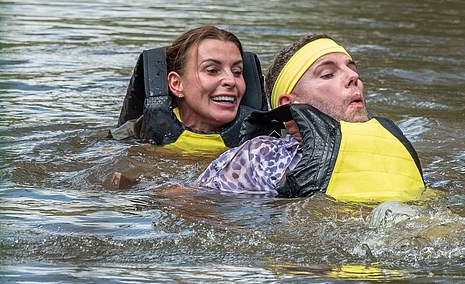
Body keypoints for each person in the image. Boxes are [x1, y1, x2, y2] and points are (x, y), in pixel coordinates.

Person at [195, 34, 429, 202]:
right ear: (290, 105)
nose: (353, 76)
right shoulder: (259, 156)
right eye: (328, 74)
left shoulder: (391, 145)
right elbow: (198, 202)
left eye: (351, 68)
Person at [111, 25, 267, 154]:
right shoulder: (132, 138)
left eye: (237, 72)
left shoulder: (264, 143)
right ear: (176, 84)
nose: (231, 81)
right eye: (212, 70)